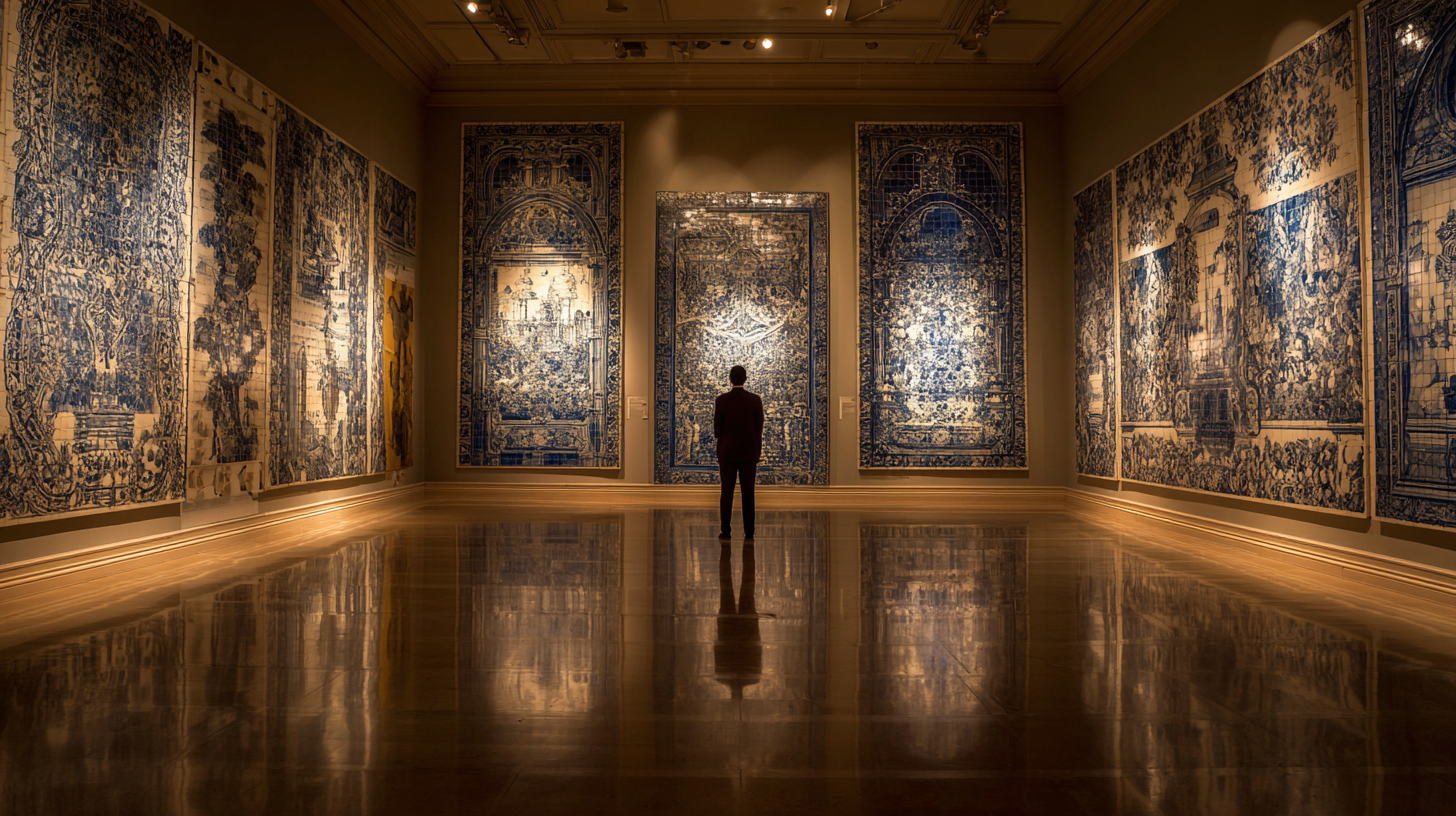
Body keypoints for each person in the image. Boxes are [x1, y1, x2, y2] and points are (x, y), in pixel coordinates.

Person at [714, 364, 764, 540]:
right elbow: (759, 427)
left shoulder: (721, 400)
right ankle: (749, 531)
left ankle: (725, 530)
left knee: (726, 492)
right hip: (749, 452)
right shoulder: (755, 400)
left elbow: (717, 428)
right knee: (748, 493)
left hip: (727, 452)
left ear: (730, 379)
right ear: (745, 378)